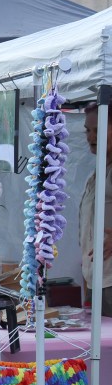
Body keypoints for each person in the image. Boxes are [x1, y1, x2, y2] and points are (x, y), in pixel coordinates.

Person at [81, 102, 112, 317]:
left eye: (98, 130)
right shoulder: (98, 172)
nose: (91, 137)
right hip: (97, 278)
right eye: (88, 130)